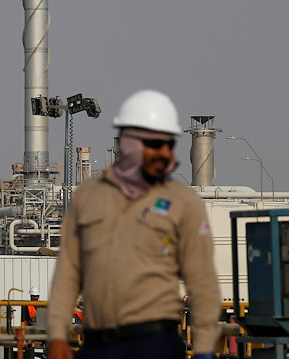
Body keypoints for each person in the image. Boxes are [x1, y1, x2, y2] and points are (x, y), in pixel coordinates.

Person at [46, 90, 220, 359]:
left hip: (155, 343)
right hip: (98, 343)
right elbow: (68, 273)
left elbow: (203, 281)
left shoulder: (183, 203)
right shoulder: (88, 197)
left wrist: (205, 348)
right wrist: (57, 334)